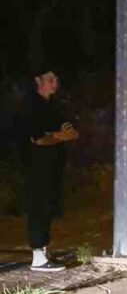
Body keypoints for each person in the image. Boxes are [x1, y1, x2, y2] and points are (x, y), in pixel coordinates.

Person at [23, 70, 78, 272]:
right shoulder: (31, 105)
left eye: (56, 79)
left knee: (48, 208)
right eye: (50, 79)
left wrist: (59, 135)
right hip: (35, 166)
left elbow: (70, 131)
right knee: (38, 208)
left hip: (52, 166)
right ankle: (38, 257)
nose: (55, 83)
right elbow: (37, 138)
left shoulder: (54, 106)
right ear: (38, 81)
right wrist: (59, 136)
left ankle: (44, 251)